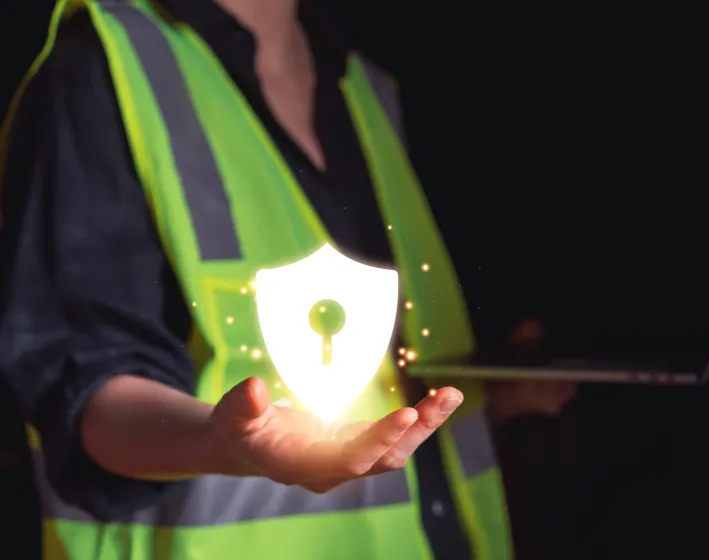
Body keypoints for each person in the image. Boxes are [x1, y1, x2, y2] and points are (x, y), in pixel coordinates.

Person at [0, 0, 576, 558]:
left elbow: (380, 375)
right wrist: (224, 442)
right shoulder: (103, 68)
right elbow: (80, 390)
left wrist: (487, 398)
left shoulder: (366, 88)